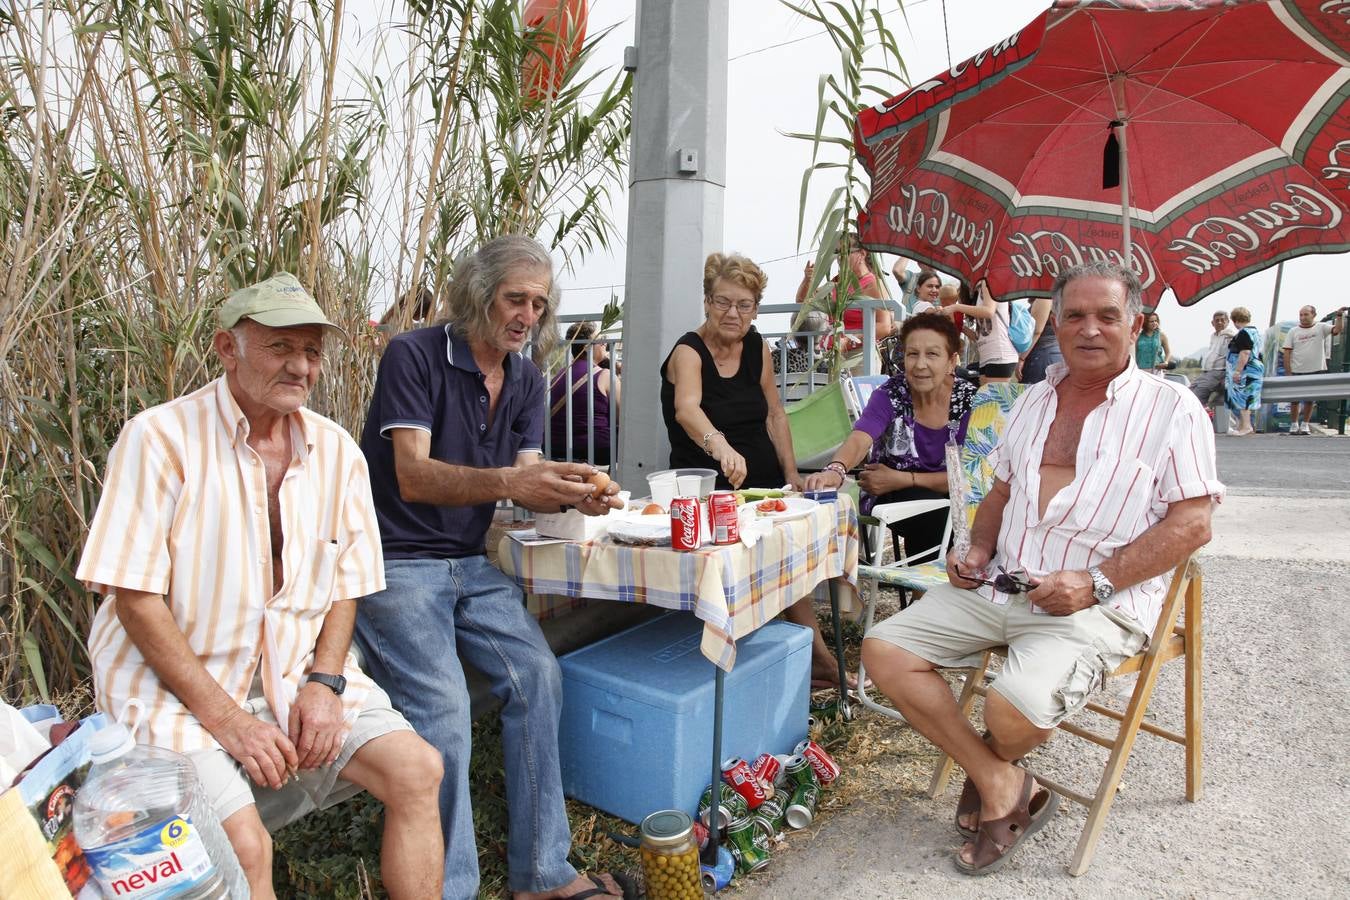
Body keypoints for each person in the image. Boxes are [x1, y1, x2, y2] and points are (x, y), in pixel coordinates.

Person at [76, 273, 445, 898]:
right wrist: (228, 721)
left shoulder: (337, 453)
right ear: (227, 348)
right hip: (171, 686)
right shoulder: (159, 439)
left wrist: (326, 684)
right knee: (248, 846)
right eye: (281, 347)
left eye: (312, 351)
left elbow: (346, 583)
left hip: (294, 671)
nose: (301, 366)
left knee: (418, 769)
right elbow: (134, 599)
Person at [861, 261, 1221, 875]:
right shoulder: (1032, 398)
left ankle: (993, 770)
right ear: (1059, 321)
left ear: (1135, 323)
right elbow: (1000, 494)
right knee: (882, 652)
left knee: (1011, 710)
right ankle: (1001, 780)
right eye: (1075, 315)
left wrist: (1096, 581)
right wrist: (976, 551)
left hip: (1102, 601)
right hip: (1005, 583)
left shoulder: (1173, 409)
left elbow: (1194, 525)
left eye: (1108, 315)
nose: (1089, 329)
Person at [354, 236, 629, 900]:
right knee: (444, 710)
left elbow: (527, 476)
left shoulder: (528, 378)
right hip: (397, 559)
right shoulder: (412, 354)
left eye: (538, 303)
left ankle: (541, 874)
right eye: (516, 299)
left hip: (470, 563)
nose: (527, 315)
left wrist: (575, 490)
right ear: (479, 295)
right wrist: (515, 481)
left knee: (538, 675)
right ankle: (451, 889)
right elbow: (413, 476)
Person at [805, 312, 978, 562]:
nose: (920, 365)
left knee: (974, 518)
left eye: (932, 354)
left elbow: (968, 477)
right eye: (912, 354)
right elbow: (861, 436)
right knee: (934, 514)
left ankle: (946, 592)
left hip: (949, 493)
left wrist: (905, 478)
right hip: (889, 491)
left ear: (951, 361)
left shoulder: (970, 400)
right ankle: (925, 595)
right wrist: (836, 468)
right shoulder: (891, 394)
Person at [663, 252, 803, 493]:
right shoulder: (688, 351)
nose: (732, 313)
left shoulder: (757, 347)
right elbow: (686, 410)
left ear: (755, 310)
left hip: (767, 489)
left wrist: (791, 473)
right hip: (707, 492)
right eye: (722, 302)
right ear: (707, 302)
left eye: (744, 305)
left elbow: (774, 415)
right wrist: (721, 446)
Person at [550, 321, 620, 464]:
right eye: (601, 341)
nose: (605, 345)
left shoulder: (559, 374)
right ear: (587, 347)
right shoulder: (605, 376)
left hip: (555, 446)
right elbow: (623, 418)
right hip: (595, 448)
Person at [1281, 305, 1346, 434]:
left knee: (1310, 399)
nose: (1303, 317)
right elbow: (1287, 351)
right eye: (1301, 315)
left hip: (1315, 369)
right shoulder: (1293, 331)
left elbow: (1337, 330)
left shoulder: (1321, 327)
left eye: (1306, 314)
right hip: (1297, 369)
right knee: (1294, 399)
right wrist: (1288, 371)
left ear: (1313, 315)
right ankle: (1294, 424)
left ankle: (1305, 424)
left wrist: (1339, 316)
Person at [942, 280, 1018, 383]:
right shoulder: (979, 292)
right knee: (987, 397)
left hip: (999, 354)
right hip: (987, 356)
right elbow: (979, 337)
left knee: (993, 397)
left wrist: (956, 307)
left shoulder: (988, 283)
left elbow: (989, 311)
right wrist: (961, 327)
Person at [1225, 306, 1265, 436]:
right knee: (1247, 397)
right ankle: (1243, 425)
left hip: (1247, 370)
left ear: (1235, 320)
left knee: (1243, 397)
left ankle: (1246, 426)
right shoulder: (1254, 332)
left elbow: (1245, 352)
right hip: (1254, 368)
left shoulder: (1243, 333)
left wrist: (1238, 371)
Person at [1190, 309, 1237, 409]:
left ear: (1227, 322)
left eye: (1222, 320)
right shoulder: (1213, 336)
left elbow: (1237, 341)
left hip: (1217, 372)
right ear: (1212, 323)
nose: (1219, 322)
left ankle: (1200, 419)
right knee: (1189, 391)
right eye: (1217, 320)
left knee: (1197, 397)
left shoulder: (1228, 334)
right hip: (1206, 372)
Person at [1017, 297, 1061, 385]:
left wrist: (1021, 358)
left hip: (1041, 354)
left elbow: (1036, 330)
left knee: (1033, 394)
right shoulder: (1057, 298)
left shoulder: (1044, 298)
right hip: (1051, 352)